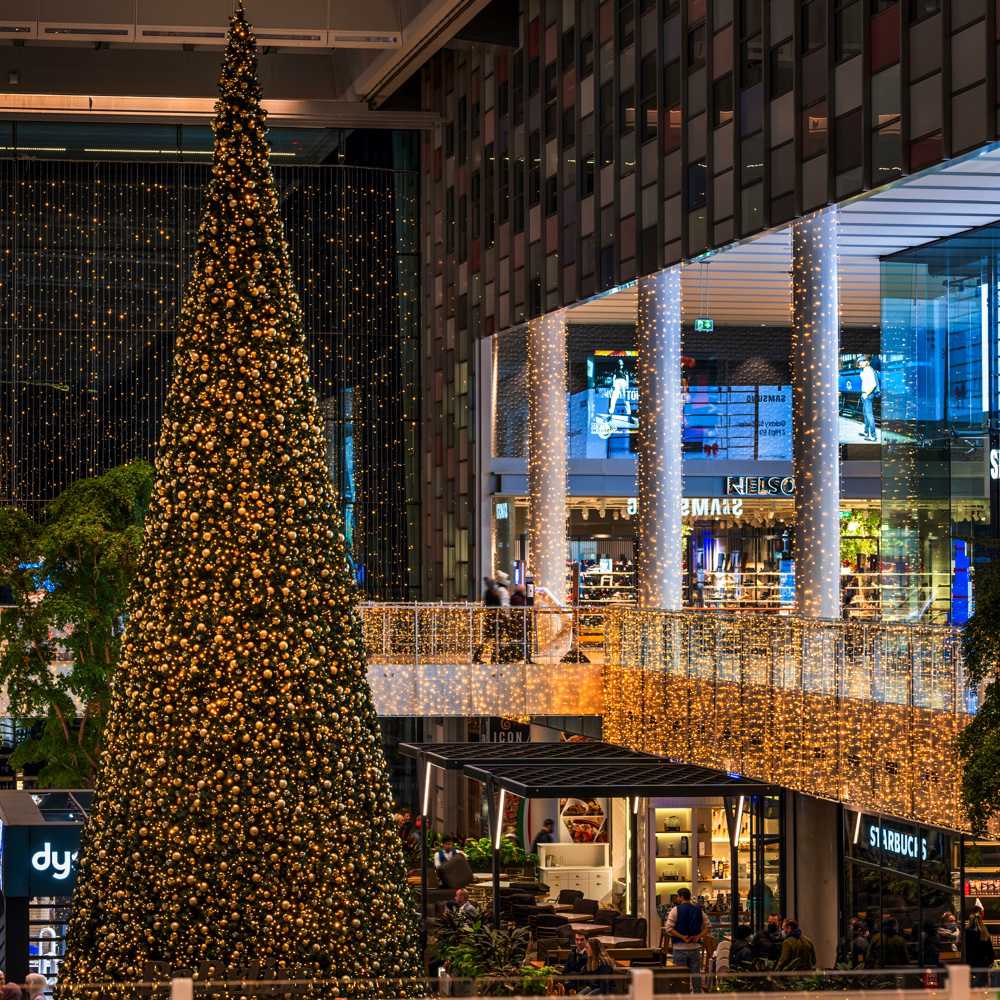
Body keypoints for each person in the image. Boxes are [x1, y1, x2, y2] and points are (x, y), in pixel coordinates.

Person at [665, 886, 707, 990]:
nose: (677, 898)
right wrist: (698, 936)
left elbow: (668, 928)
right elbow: (708, 927)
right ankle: (697, 995)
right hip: (695, 947)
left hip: (679, 948)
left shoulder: (675, 910)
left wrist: (682, 937)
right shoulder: (698, 910)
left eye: (678, 896)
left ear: (681, 897)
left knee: (680, 977)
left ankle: (682, 995)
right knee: (696, 975)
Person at [965, 904, 995, 981]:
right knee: (982, 983)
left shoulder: (966, 932)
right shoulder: (984, 932)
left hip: (970, 963)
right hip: (982, 963)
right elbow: (990, 949)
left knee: (971, 983)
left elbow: (964, 948)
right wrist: (991, 961)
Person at [859, 355, 879, 441]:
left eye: (861, 361)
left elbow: (873, 384)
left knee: (869, 415)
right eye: (859, 362)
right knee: (866, 414)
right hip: (864, 394)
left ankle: (873, 436)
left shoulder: (869, 370)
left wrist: (866, 394)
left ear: (866, 362)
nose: (860, 363)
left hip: (867, 395)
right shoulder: (864, 370)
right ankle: (866, 432)